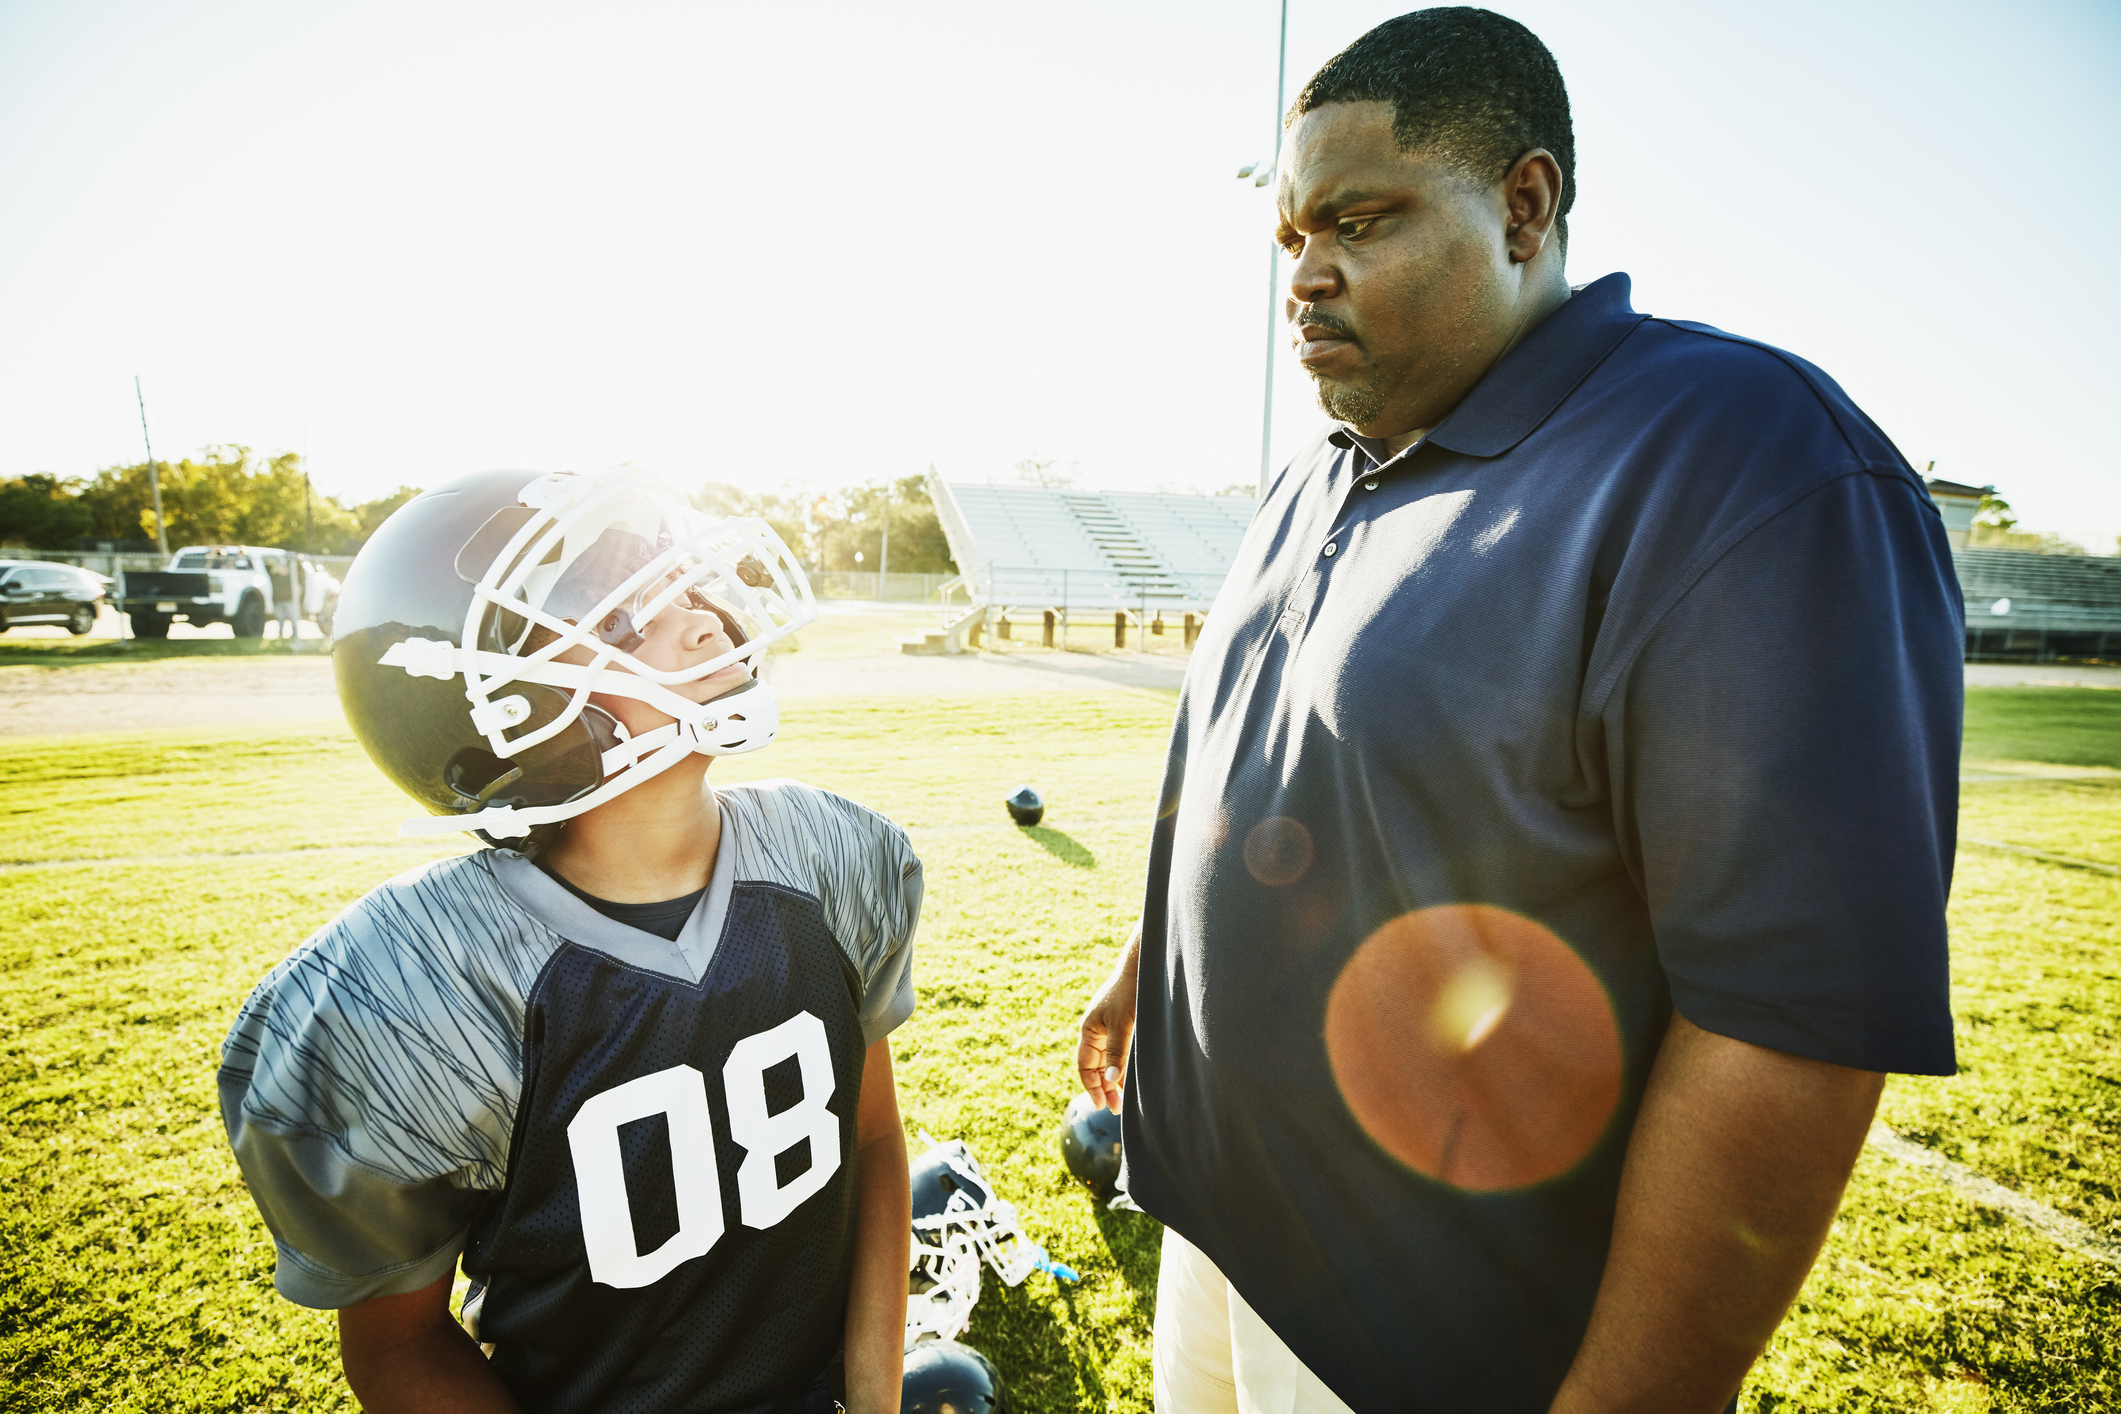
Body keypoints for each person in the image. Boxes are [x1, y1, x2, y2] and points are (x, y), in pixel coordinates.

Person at [1074, 10, 1962, 1414]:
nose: (1306, 276)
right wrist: (1155, 958)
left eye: (1356, 221)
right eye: (1292, 237)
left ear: (1523, 205)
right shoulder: (1324, 464)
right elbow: (1278, 762)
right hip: (1216, 1220)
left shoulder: (1741, 458)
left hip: (1414, 1336)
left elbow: (1792, 1021)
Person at [218, 467, 919, 1413]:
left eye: (683, 585)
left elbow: (871, 1138)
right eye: (628, 615)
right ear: (502, 703)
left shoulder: (833, 853)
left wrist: (872, 1401)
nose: (706, 618)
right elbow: (398, 1345)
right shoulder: (418, 987)